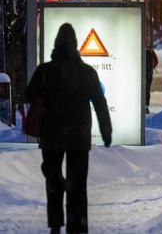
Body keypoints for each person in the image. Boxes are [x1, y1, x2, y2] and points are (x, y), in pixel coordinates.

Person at [25, 23, 112, 234]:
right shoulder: (87, 72)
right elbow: (100, 103)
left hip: (52, 135)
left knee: (53, 179)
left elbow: (29, 96)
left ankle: (55, 224)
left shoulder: (45, 70)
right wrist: (106, 131)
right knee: (78, 182)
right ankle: (77, 225)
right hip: (79, 135)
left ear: (56, 44)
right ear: (75, 46)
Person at [145, 45, 158, 114]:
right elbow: (156, 61)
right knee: (147, 89)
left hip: (141, 74)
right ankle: (146, 106)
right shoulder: (150, 51)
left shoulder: (137, 50)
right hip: (149, 74)